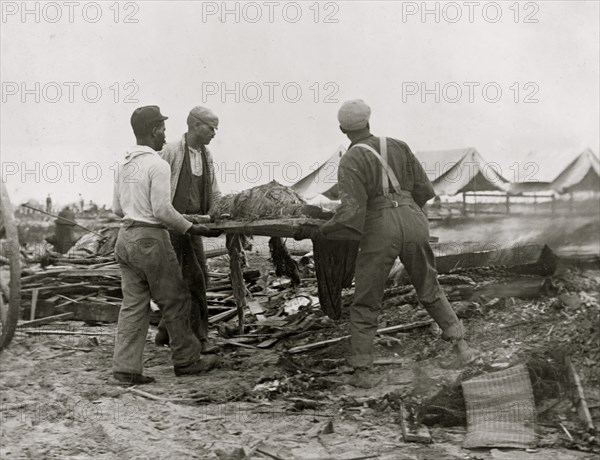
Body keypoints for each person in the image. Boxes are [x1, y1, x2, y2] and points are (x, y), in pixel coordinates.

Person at [315, 100, 479, 388]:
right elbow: (425, 191)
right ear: (369, 121)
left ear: (343, 129)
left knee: (367, 299)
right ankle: (462, 348)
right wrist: (405, 210)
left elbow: (353, 212)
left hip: (380, 229)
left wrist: (323, 230)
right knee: (429, 286)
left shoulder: (351, 160)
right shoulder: (399, 145)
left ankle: (363, 371)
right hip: (414, 220)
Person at [111, 105, 220, 385]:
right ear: (153, 131)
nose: (164, 135)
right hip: (151, 238)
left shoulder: (123, 164)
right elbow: (162, 209)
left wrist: (137, 213)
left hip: (125, 239)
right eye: (161, 130)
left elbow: (116, 209)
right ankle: (186, 361)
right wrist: (191, 227)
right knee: (177, 298)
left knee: (133, 306)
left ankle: (125, 369)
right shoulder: (158, 165)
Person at [154, 106, 221, 354]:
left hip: (195, 226)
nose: (214, 133)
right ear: (195, 126)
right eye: (211, 127)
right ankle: (199, 339)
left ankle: (164, 332)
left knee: (199, 275)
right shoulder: (170, 151)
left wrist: (220, 212)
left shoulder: (207, 155)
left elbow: (213, 189)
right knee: (190, 279)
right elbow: (157, 188)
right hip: (172, 226)